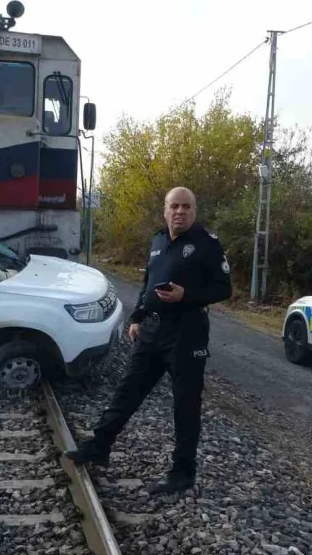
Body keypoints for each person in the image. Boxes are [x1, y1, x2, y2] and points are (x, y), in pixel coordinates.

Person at [64, 187, 232, 494]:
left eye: (186, 207)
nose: (180, 212)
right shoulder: (157, 241)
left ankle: (182, 473)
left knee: (185, 405)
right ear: (165, 210)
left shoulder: (207, 244)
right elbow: (148, 282)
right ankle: (98, 447)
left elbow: (223, 289)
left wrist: (187, 296)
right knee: (127, 390)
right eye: (174, 206)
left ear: (194, 211)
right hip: (153, 331)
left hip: (188, 332)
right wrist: (138, 316)